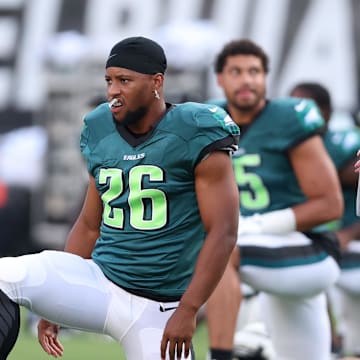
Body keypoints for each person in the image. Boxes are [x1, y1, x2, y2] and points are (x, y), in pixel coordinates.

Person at [0, 36, 241, 360]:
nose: (113, 90)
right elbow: (88, 226)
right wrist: (56, 307)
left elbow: (223, 232)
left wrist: (189, 310)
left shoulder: (195, 130)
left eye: (124, 80)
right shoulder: (99, 127)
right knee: (5, 276)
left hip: (159, 306)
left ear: (157, 82)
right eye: (109, 80)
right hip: (101, 283)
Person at [206, 39, 343, 360]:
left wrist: (253, 225)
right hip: (266, 256)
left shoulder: (288, 117)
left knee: (221, 250)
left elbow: (330, 204)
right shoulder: (209, 121)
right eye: (236, 71)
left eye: (254, 71)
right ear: (220, 79)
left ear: (266, 79)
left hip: (308, 250)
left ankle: (220, 356)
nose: (246, 79)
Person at [290, 82, 360, 357]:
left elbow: (345, 177)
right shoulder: (285, 145)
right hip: (317, 243)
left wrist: (350, 233)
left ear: (327, 112)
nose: (297, 114)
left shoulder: (345, 143)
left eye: (305, 107)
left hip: (346, 244)